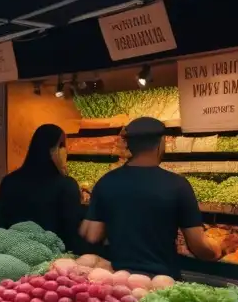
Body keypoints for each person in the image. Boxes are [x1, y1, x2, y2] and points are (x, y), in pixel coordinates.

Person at [80, 117, 219, 277]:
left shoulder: (106, 182)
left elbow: (92, 235)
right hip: (162, 281)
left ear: (129, 145)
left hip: (120, 279)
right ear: (161, 143)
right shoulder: (178, 185)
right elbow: (198, 246)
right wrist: (216, 250)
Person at [0, 124, 89, 252]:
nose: (66, 151)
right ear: (52, 150)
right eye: (62, 146)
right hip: (54, 262)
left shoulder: (9, 181)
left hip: (13, 256)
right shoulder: (66, 185)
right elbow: (71, 233)